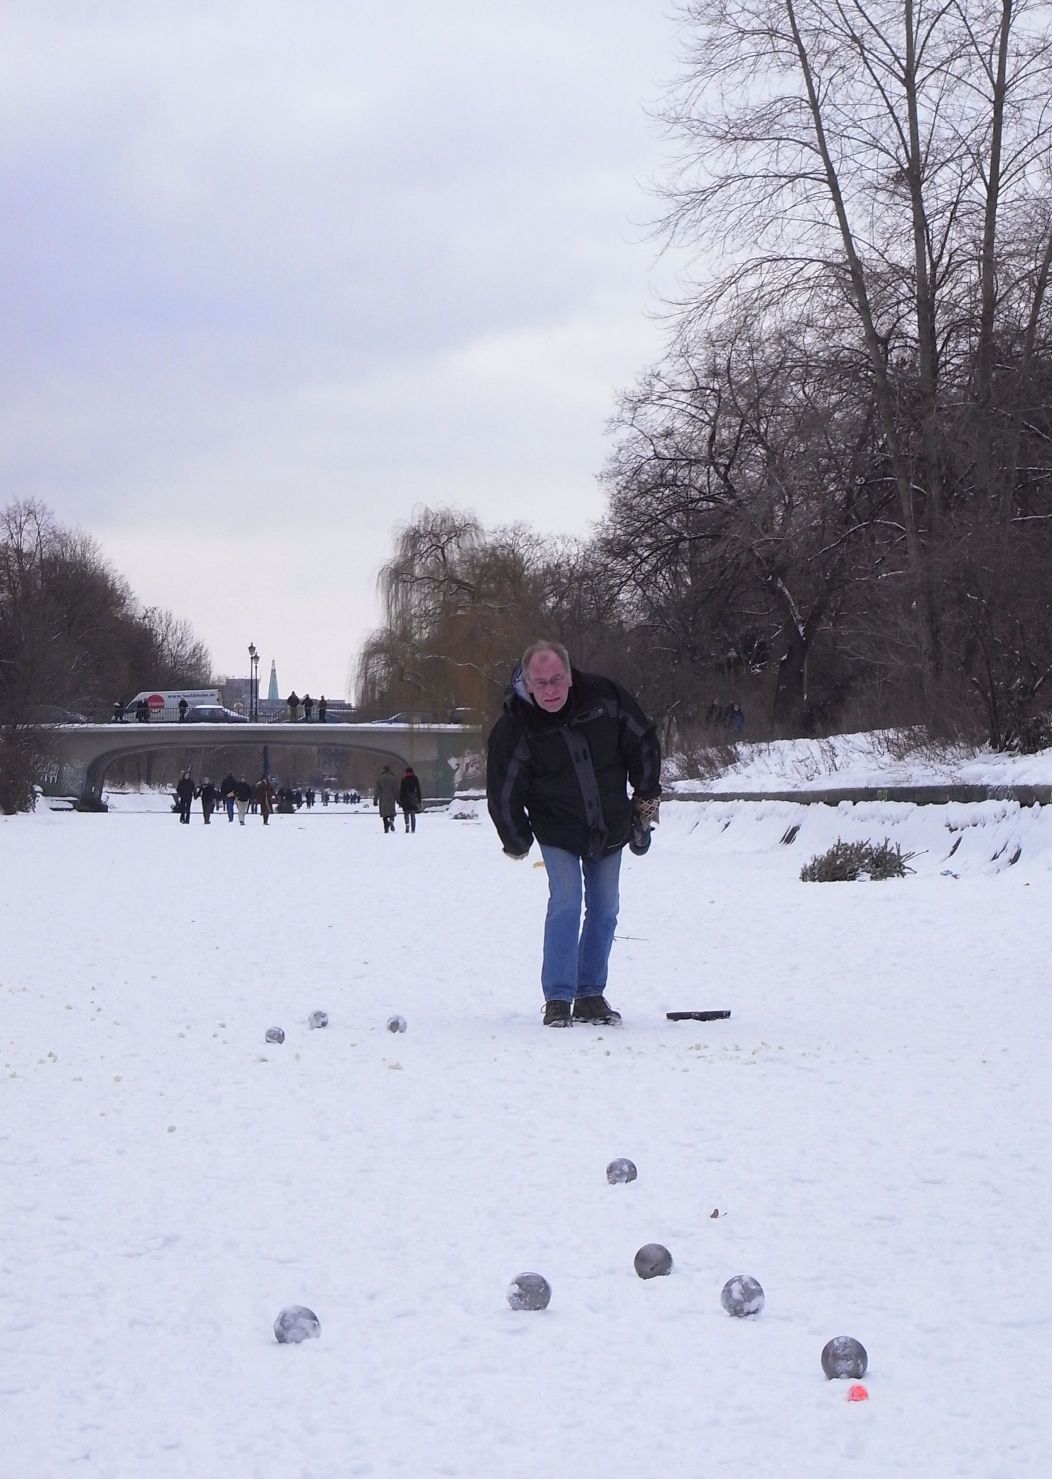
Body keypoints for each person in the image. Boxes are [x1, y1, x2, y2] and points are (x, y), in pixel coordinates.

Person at [487, 639, 661, 1028]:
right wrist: (515, 838)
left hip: (609, 823)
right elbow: (503, 788)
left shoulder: (605, 697)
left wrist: (646, 797)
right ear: (527, 682)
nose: (550, 690)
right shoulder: (515, 728)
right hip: (557, 828)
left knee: (605, 908)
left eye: (556, 680)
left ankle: (590, 994)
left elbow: (642, 740)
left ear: (569, 675)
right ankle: (559, 997)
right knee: (566, 903)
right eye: (541, 683)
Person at [374, 764, 399, 833]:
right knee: (391, 812)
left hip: (383, 797)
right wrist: (398, 799)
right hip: (391, 797)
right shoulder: (393, 778)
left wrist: (375, 800)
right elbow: (396, 790)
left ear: (384, 769)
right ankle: (391, 821)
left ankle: (386, 828)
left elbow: (377, 790)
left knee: (384, 814)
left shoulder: (380, 779)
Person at [399, 766, 422, 832]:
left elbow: (401, 791)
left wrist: (400, 800)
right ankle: (413, 829)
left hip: (405, 799)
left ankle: (407, 825)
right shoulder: (415, 779)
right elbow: (418, 789)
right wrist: (419, 799)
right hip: (413, 799)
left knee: (406, 814)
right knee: (412, 814)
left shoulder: (403, 779)